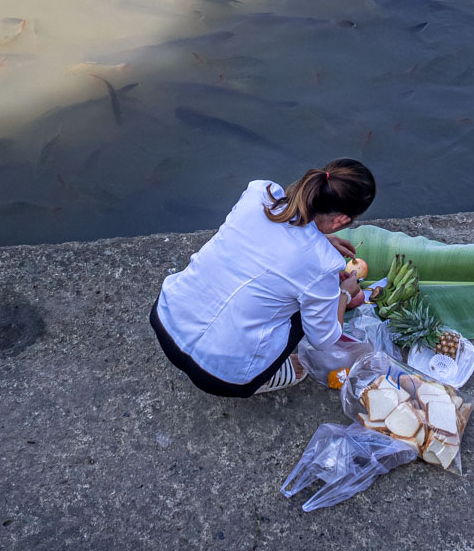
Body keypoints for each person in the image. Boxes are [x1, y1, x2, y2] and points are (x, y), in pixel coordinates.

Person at [149, 159, 375, 397]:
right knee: (310, 308)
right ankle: (264, 376)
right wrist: (343, 293)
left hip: (166, 320)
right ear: (341, 220)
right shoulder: (323, 263)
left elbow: (275, 238)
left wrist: (322, 240)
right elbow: (324, 339)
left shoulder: (259, 193)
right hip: (218, 378)